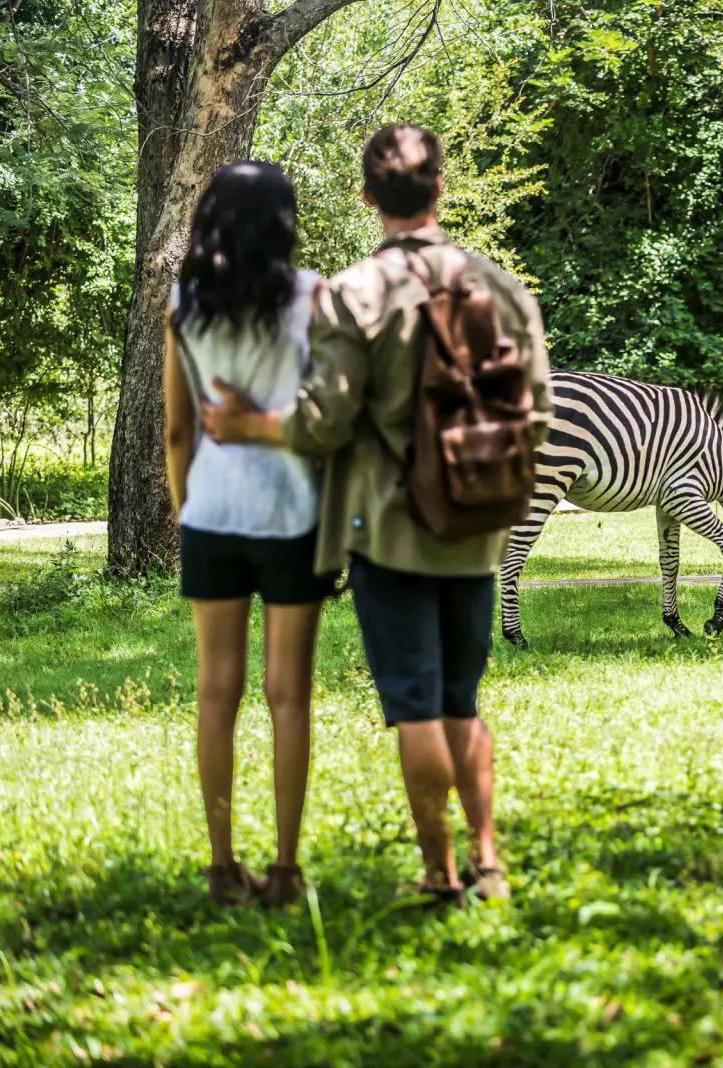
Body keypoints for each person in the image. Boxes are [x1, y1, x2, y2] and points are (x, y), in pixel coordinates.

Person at [202, 125, 552, 905]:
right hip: (477, 525)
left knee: (416, 705)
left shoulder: (355, 293)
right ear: (441, 192)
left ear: (368, 197)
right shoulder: (499, 284)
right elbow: (538, 407)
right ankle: (489, 860)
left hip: (390, 530)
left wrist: (251, 425)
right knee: (463, 698)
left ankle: (439, 874)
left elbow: (322, 423)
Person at [163, 161, 333, 908]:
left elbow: (176, 429)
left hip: (212, 515)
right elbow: (326, 416)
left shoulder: (184, 303)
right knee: (288, 694)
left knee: (215, 693)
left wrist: (186, 509)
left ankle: (223, 866)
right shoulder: (311, 296)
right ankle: (287, 871)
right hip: (293, 517)